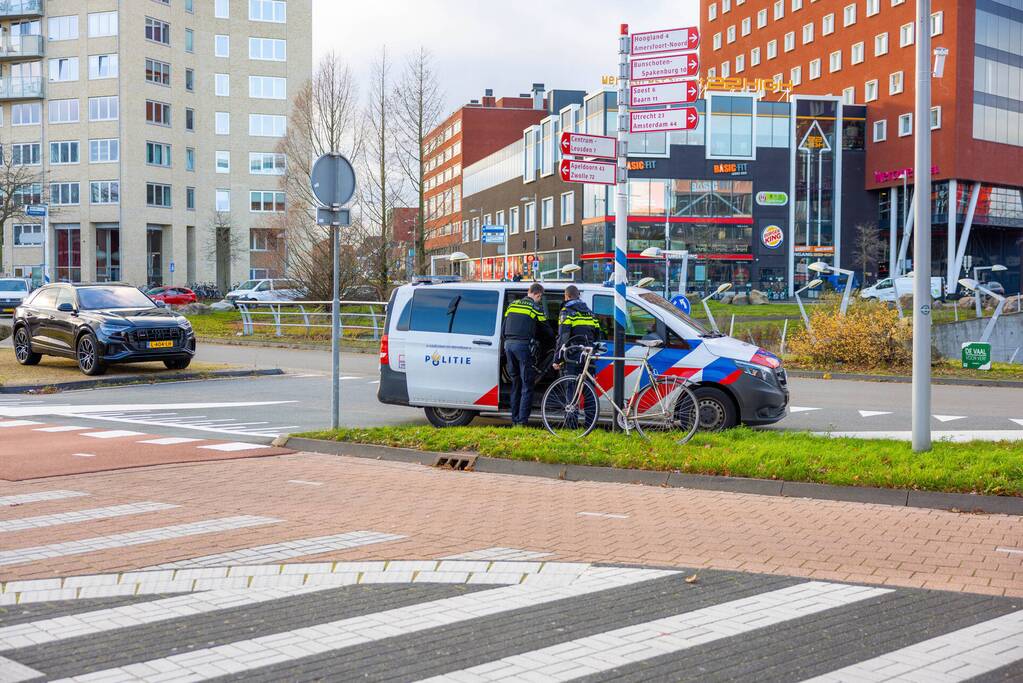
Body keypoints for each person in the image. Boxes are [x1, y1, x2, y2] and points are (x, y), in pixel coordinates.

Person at [502, 283, 553, 426]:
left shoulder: (513, 305)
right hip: (522, 347)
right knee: (527, 384)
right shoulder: (535, 307)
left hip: (508, 346)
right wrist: (554, 342)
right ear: (538, 295)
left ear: (528, 291)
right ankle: (522, 422)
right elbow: (547, 330)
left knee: (515, 383)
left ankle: (514, 419)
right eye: (539, 297)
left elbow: (504, 326)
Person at [553, 285, 601, 376]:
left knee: (572, 386)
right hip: (588, 354)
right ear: (578, 295)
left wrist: (557, 360)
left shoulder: (567, 312)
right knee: (587, 386)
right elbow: (597, 335)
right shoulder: (591, 313)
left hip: (572, 355)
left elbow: (563, 337)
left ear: (566, 296)